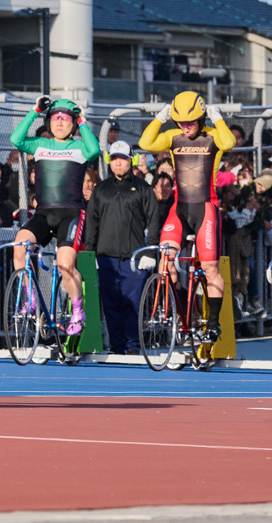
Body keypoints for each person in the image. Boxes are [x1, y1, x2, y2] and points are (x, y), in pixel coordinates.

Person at [140, 91, 239, 342]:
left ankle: (214, 323)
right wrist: (160, 117)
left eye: (191, 122)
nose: (186, 127)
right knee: (166, 260)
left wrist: (218, 120)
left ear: (202, 117)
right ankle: (181, 316)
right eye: (181, 122)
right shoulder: (172, 136)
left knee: (209, 268)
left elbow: (228, 144)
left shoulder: (213, 136)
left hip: (206, 208)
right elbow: (146, 143)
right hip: (180, 208)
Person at [8, 96, 102, 338]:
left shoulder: (80, 147)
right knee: (20, 245)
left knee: (65, 265)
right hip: (43, 213)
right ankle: (29, 300)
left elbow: (94, 150)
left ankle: (78, 311)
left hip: (70, 213)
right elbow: (15, 139)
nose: (60, 123)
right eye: (55, 118)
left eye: (66, 118)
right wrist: (35, 110)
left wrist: (82, 120)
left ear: (73, 123)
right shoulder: (40, 144)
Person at [85, 140, 161, 354]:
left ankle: (133, 346)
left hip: (135, 257)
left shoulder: (144, 188)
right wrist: (90, 254)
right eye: (114, 159)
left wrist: (151, 249)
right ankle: (117, 346)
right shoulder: (101, 190)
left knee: (133, 304)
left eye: (123, 159)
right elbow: (92, 223)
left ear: (131, 160)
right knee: (111, 304)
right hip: (105, 256)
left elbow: (153, 219)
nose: (118, 164)